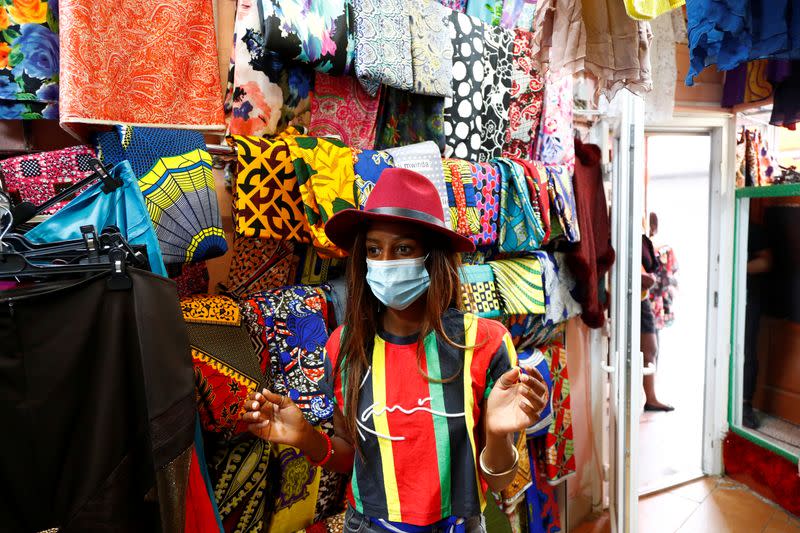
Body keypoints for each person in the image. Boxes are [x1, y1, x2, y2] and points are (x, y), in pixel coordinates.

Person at [244, 168, 549, 532]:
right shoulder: (344, 345)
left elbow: (499, 482)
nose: (386, 262)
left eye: (403, 248)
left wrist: (498, 435)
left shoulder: (485, 343)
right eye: (374, 250)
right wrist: (305, 437)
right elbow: (351, 456)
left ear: (431, 257)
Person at [641, 213, 673, 412]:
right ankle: (650, 398)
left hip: (646, 299)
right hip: (642, 299)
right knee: (650, 349)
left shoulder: (647, 244)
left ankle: (650, 396)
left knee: (648, 351)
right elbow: (650, 278)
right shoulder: (647, 244)